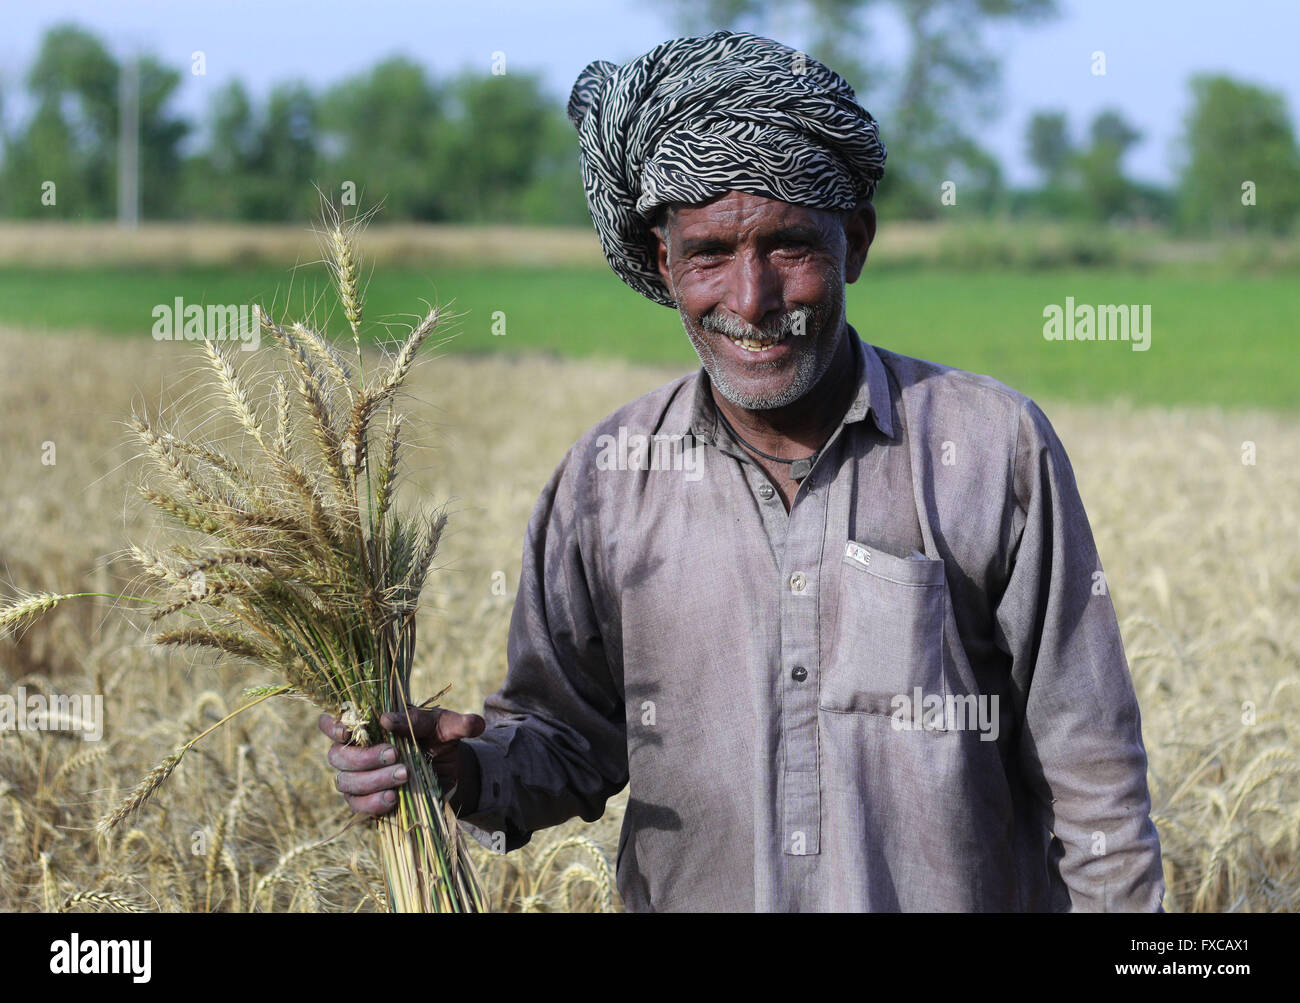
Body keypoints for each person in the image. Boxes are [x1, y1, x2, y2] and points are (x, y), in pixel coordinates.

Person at [320, 30, 1165, 912]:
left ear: (857, 244)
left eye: (789, 247)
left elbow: (1092, 764)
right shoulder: (607, 481)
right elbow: (568, 740)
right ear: (664, 263)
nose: (752, 300)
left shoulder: (992, 450)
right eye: (710, 254)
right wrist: (460, 763)